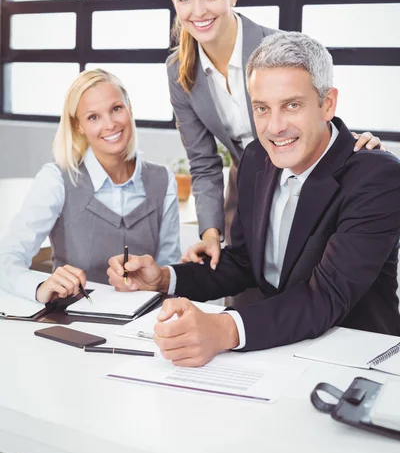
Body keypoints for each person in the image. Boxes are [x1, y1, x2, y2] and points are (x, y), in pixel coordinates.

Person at [108, 31, 400, 367]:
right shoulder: (256, 158)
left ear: (327, 104)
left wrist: (225, 328)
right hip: (278, 351)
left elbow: (327, 296)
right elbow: (244, 262)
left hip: (355, 362)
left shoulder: (376, 177)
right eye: (262, 108)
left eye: (292, 105)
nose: (275, 127)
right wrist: (164, 278)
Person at [167, 0, 384, 307]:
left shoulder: (275, 48)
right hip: (249, 186)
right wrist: (210, 231)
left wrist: (355, 146)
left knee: (303, 296)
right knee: (244, 299)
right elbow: (204, 163)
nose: (198, 10)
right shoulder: (179, 70)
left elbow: (315, 104)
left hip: (298, 182)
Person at [0, 68, 180, 303]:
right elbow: (7, 259)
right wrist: (40, 287)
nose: (110, 124)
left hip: (145, 325)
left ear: (129, 109)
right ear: (78, 126)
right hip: (73, 325)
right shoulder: (57, 180)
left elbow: (170, 271)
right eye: (93, 117)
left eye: (116, 109)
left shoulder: (163, 180)